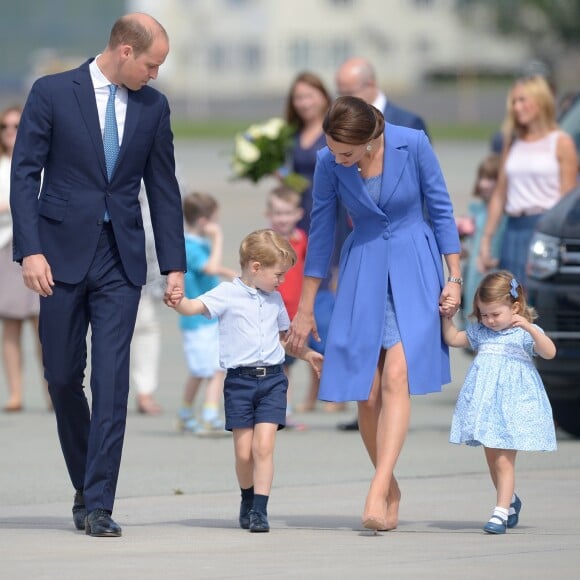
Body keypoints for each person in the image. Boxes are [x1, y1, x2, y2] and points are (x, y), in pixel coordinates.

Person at [10, 13, 186, 537]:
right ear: (125, 51)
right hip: (58, 257)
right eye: (152, 64)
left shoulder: (154, 107)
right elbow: (24, 175)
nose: (156, 75)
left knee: (111, 384)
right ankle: (86, 484)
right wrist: (30, 251)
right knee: (62, 377)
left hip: (121, 260)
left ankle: (100, 502)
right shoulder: (52, 93)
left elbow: (163, 188)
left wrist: (174, 265)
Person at [287, 96, 462, 532]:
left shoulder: (413, 143)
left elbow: (440, 208)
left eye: (346, 152)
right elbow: (322, 231)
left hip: (415, 265)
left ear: (371, 140)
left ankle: (377, 488)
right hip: (363, 266)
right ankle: (393, 488)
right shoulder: (329, 162)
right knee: (366, 391)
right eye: (331, 148)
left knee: (397, 376)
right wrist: (305, 309)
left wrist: (455, 276)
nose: (336, 158)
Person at [170, 229, 323, 533]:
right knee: (243, 452)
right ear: (255, 267)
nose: (281, 281)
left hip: (272, 382)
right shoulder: (226, 294)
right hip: (239, 383)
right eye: (278, 274)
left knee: (263, 447)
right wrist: (177, 300)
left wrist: (307, 355)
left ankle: (260, 511)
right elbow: (194, 307)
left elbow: (284, 339)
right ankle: (247, 498)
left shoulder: (275, 299)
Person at [334, 55, 431, 431]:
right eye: (338, 92)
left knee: (397, 369)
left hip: (406, 255)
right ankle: (371, 414)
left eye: (347, 92)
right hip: (364, 253)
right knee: (368, 364)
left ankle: (387, 445)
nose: (340, 99)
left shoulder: (409, 127)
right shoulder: (338, 139)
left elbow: (426, 198)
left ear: (369, 86)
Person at [440, 270, 557, 534]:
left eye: (495, 314)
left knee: (504, 460)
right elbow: (454, 339)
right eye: (484, 314)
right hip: (486, 405)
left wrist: (528, 327)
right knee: (493, 460)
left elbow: (549, 352)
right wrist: (447, 319)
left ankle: (500, 512)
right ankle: (511, 501)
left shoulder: (524, 332)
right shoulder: (482, 332)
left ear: (515, 307)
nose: (489, 320)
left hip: (512, 406)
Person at [479, 75, 577, 290]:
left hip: (543, 229)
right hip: (513, 229)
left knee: (534, 303)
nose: (517, 107)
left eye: (522, 100)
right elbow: (500, 194)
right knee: (509, 300)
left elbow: (567, 201)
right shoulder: (513, 142)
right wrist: (486, 240)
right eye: (514, 102)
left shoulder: (561, 142)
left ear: (540, 101)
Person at [0, 105, 48, 412]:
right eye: (5, 127)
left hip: (40, 247)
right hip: (6, 247)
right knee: (11, 324)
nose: (10, 133)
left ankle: (52, 392)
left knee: (44, 326)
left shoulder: (40, 162)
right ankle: (16, 393)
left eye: (17, 126)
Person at [176, 191, 237, 436]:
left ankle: (185, 413)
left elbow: (208, 269)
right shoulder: (191, 245)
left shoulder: (194, 245)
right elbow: (209, 266)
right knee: (215, 369)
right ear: (204, 222)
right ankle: (210, 415)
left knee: (201, 371)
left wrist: (225, 271)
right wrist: (218, 238)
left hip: (204, 319)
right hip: (198, 321)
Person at [130, 185, 164, 415]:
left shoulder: (163, 153)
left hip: (150, 259)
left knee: (145, 326)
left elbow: (176, 201)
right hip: (107, 251)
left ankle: (145, 391)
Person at [458, 153, 506, 319]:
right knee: (473, 304)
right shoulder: (476, 211)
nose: (484, 184)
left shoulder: (505, 215)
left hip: (492, 270)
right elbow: (470, 247)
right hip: (472, 272)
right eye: (482, 178)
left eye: (491, 179)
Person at [283, 71, 332, 234]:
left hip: (329, 211)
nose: (304, 103)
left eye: (309, 96)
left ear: (324, 96)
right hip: (298, 211)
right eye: (299, 98)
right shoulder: (292, 134)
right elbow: (291, 176)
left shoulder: (335, 131)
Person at [335, 56, 430, 138]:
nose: (345, 100)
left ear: (371, 84)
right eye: (341, 94)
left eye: (350, 93)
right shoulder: (337, 123)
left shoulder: (408, 124)